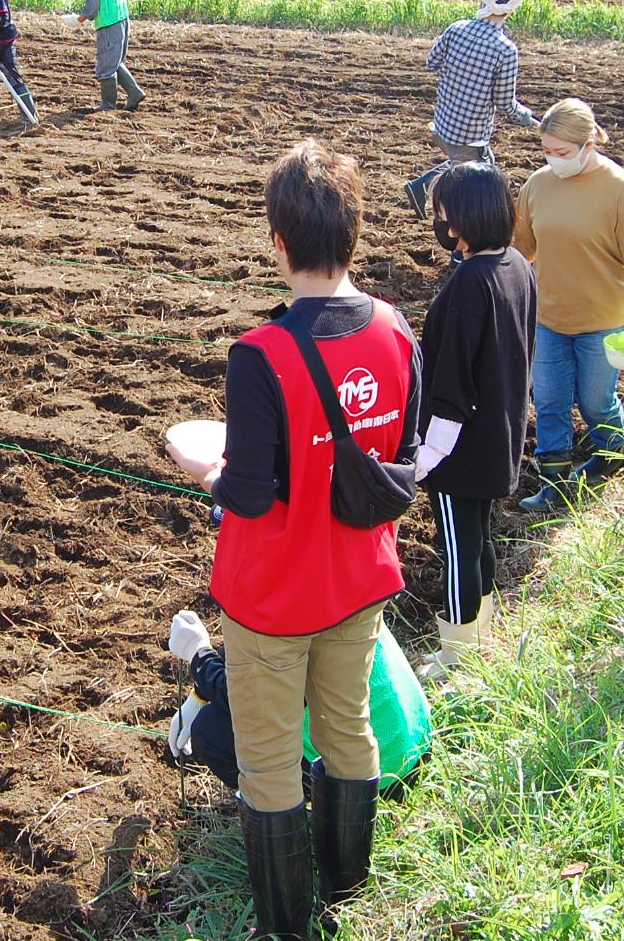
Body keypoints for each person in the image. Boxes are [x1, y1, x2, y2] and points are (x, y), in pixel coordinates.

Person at [165, 138, 421, 941]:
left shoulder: (262, 352)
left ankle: (287, 924)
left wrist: (204, 467)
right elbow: (398, 457)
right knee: (347, 727)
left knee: (272, 758)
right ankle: (346, 885)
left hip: (275, 593)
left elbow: (248, 494)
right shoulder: (393, 330)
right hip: (360, 579)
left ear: (278, 240)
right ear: (356, 233)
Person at [512, 99, 624, 513]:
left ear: (588, 144)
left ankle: (614, 452)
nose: (553, 159)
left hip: (604, 320)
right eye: (547, 150)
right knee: (548, 400)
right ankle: (555, 483)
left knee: (595, 401)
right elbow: (520, 249)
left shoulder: (620, 191)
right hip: (550, 318)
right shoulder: (538, 186)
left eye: (562, 152)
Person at [413, 162, 535, 673]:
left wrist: (427, 455)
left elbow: (452, 385)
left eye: (443, 210)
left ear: (461, 216)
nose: (438, 220)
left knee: (457, 546)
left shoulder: (469, 283)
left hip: (459, 448)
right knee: (478, 537)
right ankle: (481, 635)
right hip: (499, 432)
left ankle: (458, 655)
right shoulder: (516, 265)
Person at [163, 610, 432, 798]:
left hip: (369, 784)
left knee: (210, 729)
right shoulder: (327, 580)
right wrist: (199, 694)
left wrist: (199, 656)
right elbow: (253, 649)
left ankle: (286, 814)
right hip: (416, 753)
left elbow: (254, 699)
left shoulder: (290, 610)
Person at [402, 0, 537, 219]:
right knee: (480, 177)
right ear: (510, 10)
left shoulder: (456, 28)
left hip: (442, 125)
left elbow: (431, 63)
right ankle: (428, 194)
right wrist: (525, 116)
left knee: (467, 163)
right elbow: (505, 102)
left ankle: (421, 188)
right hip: (470, 135)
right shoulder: (505, 49)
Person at [62, 0, 145, 113]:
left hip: (108, 22)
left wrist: (77, 19)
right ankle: (134, 92)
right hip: (123, 17)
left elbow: (92, 7)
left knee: (106, 65)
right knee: (114, 61)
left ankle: (108, 105)